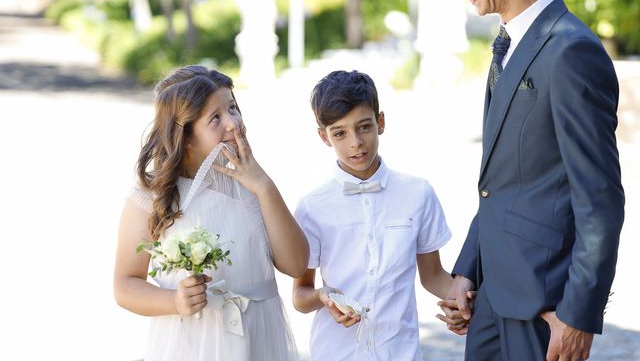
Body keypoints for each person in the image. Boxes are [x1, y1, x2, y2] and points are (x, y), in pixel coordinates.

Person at [426, 0, 625, 361]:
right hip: (491, 296)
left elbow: (600, 200)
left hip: (545, 306)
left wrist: (578, 313)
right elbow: (502, 184)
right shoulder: (507, 43)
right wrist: (465, 275)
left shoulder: (571, 52)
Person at [113, 65, 309, 360]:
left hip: (260, 338)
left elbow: (296, 265)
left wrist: (265, 187)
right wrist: (175, 302)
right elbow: (125, 285)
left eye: (232, 108)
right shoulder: (151, 197)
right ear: (187, 135)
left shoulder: (251, 185)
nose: (233, 123)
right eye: (215, 117)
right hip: (195, 343)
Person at [291, 70, 471, 360]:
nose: (355, 142)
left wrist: (464, 302)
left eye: (364, 127)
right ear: (324, 137)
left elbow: (433, 276)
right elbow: (301, 294)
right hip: (336, 352)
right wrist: (323, 296)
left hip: (399, 351)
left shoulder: (418, 193)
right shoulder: (312, 206)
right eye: (340, 133)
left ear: (381, 122)